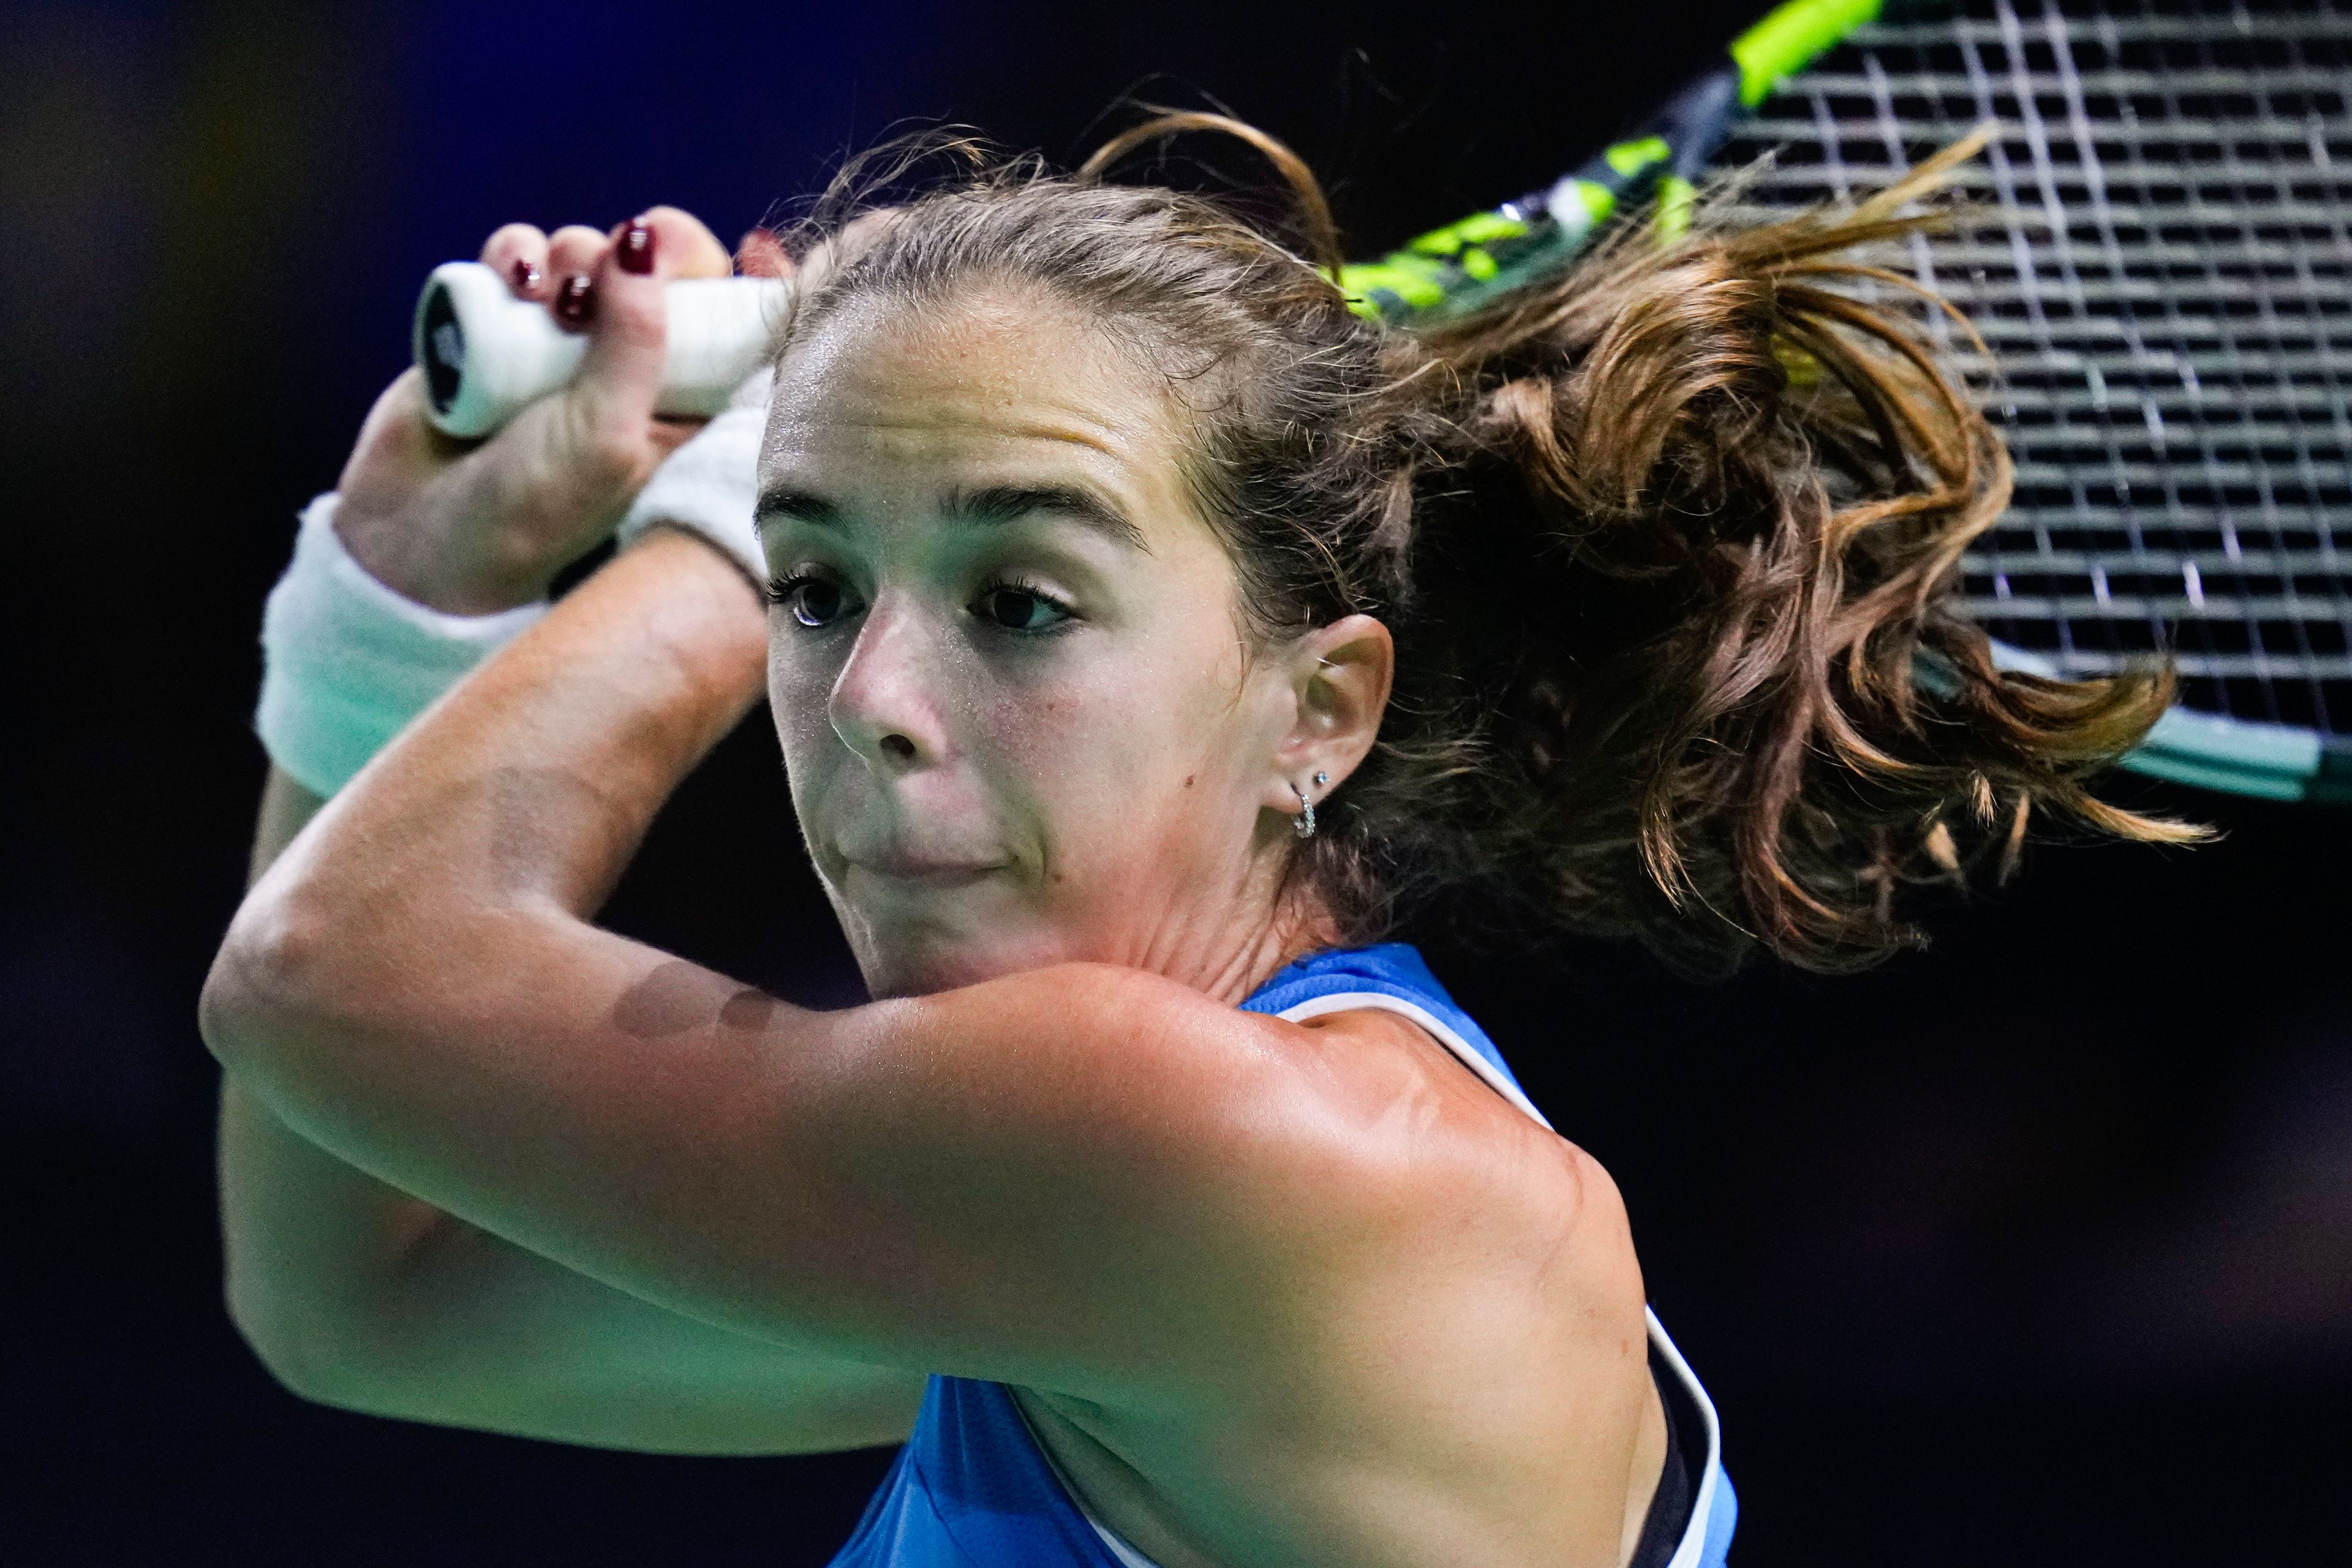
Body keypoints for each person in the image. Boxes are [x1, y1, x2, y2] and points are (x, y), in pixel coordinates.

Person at [202, 119, 2190, 1568]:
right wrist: (409, 594)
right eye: (819, 601)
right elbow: (370, 1298)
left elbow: (328, 982)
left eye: (1023, 603)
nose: (874, 696)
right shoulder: (1101, 1238)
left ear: (1316, 709)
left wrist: (751, 499)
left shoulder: (1228, 1157)